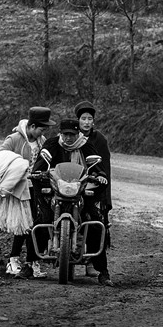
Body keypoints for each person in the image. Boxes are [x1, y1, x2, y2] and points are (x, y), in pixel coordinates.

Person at [34, 118, 114, 286]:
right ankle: (29, 263)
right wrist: (39, 172)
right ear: (60, 134)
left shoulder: (85, 145)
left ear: (78, 134)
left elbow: (95, 163)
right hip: (56, 191)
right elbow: (42, 161)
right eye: (65, 134)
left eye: (72, 134)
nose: (69, 138)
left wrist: (100, 175)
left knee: (95, 222)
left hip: (80, 192)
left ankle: (103, 271)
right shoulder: (52, 143)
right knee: (41, 219)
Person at [0, 106, 56, 279]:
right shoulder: (14, 139)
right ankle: (15, 260)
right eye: (41, 128)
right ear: (32, 126)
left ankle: (31, 261)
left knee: (36, 223)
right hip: (20, 189)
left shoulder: (41, 141)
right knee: (23, 225)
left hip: (36, 188)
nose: (43, 132)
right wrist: (18, 168)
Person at [74, 100, 113, 278]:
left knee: (93, 224)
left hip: (93, 188)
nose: (87, 122)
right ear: (78, 120)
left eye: (90, 118)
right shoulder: (70, 137)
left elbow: (105, 169)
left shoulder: (99, 140)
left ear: (94, 121)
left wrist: (105, 197)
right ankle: (70, 258)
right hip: (72, 186)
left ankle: (91, 262)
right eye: (83, 118)